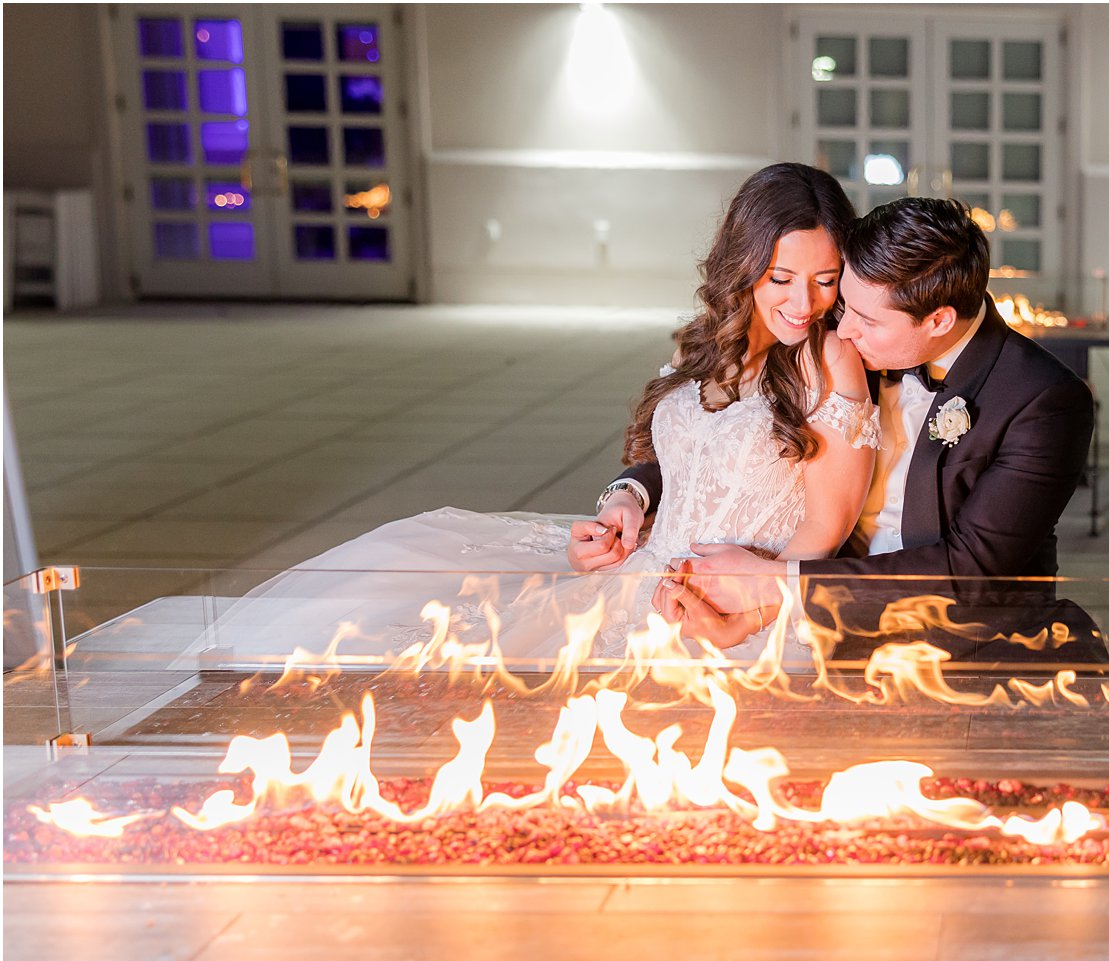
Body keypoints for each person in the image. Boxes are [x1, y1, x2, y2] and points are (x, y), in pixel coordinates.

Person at [195, 163, 879, 665]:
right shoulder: (706, 339)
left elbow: (824, 532)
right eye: (780, 279)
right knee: (408, 627)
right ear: (744, 265)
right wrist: (623, 504)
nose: (803, 303)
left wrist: (748, 605)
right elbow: (670, 456)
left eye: (824, 281)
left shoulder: (830, 359)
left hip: (740, 609)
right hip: (635, 574)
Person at [648, 197, 1096, 649]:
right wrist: (633, 489)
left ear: (938, 320)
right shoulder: (855, 339)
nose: (842, 330)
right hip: (818, 625)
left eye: (866, 319)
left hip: (966, 642)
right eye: (845, 304)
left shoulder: (1043, 400)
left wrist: (774, 586)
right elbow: (721, 430)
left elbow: (971, 571)